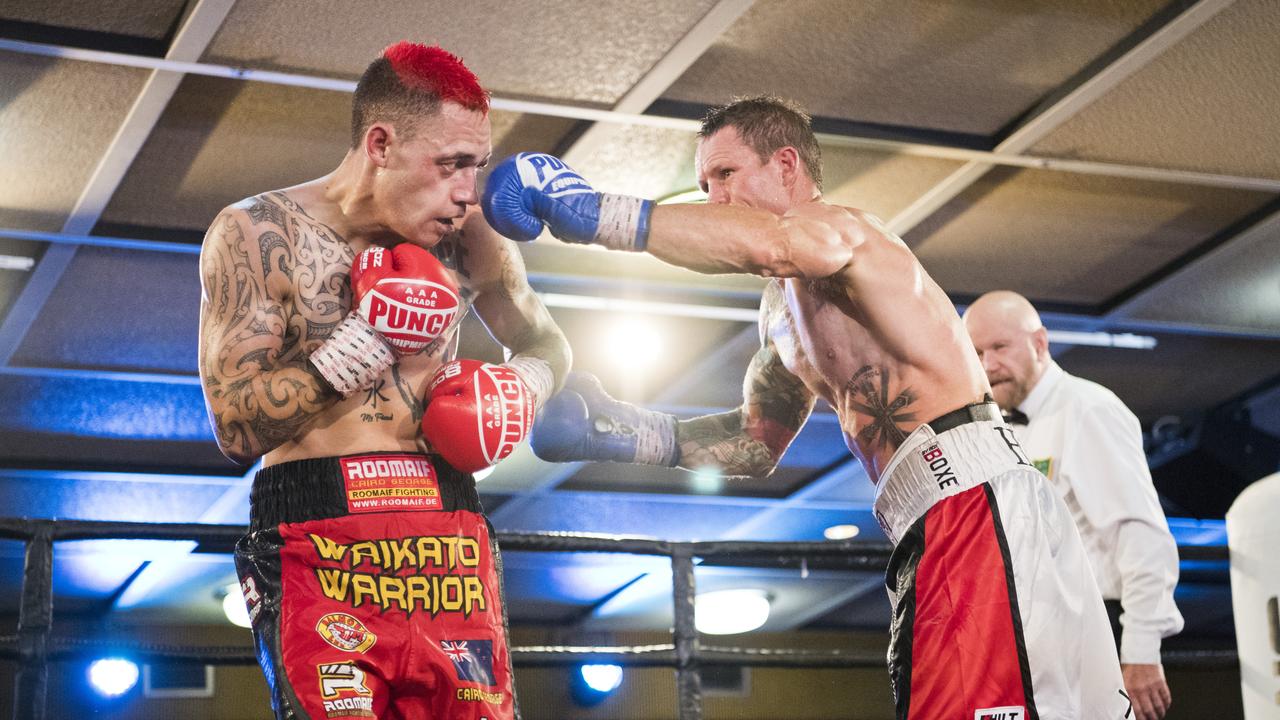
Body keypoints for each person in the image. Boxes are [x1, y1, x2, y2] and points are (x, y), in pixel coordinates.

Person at [482, 96, 1129, 719]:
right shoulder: (779, 315)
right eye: (705, 183)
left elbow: (771, 244)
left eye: (726, 174)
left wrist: (593, 213)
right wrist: (622, 433)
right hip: (933, 515)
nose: (715, 199)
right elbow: (755, 444)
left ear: (787, 167)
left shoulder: (841, 230)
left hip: (974, 497)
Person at [197, 41, 570, 720]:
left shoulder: (474, 236)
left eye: (476, 166)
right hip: (317, 537)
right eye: (452, 164)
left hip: (445, 537)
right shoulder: (258, 232)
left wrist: (525, 386)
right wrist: (366, 344)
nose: (467, 190)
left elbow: (545, 340)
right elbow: (234, 425)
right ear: (381, 143)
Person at [963, 290, 1183, 720]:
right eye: (976, 352)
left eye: (1000, 347)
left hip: (1097, 631)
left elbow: (1140, 533)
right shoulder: (994, 429)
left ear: (1040, 343)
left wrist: (1141, 649)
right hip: (1036, 640)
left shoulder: (1088, 410)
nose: (988, 365)